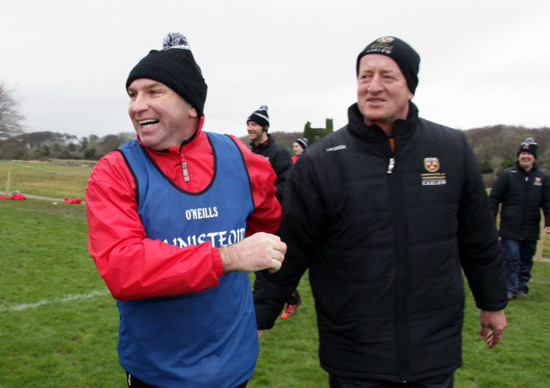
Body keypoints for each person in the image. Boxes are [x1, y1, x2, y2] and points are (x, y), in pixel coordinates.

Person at [254, 36, 508, 387]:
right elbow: (291, 247)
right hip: (355, 351)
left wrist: (492, 302)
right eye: (365, 76)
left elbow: (478, 237)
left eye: (387, 76)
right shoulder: (320, 161)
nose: (373, 86)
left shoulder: (451, 148)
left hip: (433, 349)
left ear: (411, 87)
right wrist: (259, 317)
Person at [85, 32, 286, 388]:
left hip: (235, 363)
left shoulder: (240, 158)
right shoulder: (115, 171)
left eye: (153, 92)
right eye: (132, 94)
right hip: (158, 370)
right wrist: (226, 257)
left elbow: (270, 227)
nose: (136, 105)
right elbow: (123, 266)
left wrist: (268, 293)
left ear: (192, 105)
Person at [246, 106, 302, 319]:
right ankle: (289, 296)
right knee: (263, 264)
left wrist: (265, 197)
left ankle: (260, 313)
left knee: (270, 264)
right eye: (248, 125)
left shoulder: (278, 153)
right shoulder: (250, 153)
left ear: (265, 128)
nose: (250, 128)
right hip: (253, 218)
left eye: (254, 125)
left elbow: (288, 183)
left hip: (274, 217)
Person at [489, 137, 550, 301]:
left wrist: (548, 222)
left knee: (525, 259)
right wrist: (490, 219)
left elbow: (547, 202)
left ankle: (522, 286)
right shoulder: (507, 175)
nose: (526, 156)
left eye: (529, 154)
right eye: (523, 153)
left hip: (530, 228)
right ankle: (510, 288)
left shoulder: (543, 178)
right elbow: (494, 199)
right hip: (510, 227)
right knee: (511, 257)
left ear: (534, 157)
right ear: (518, 155)